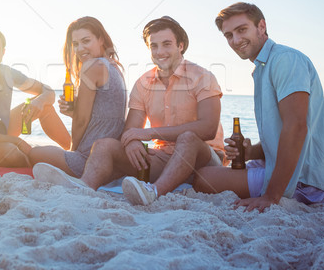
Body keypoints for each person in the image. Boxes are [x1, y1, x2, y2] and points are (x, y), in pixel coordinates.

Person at [34, 16, 226, 206]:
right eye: (154, 46)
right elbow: (131, 129)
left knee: (188, 138)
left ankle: (154, 192)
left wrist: (148, 132)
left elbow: (208, 128)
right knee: (104, 145)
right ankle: (84, 187)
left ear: (181, 45)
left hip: (204, 160)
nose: (160, 52)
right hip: (163, 159)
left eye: (166, 44)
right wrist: (132, 140)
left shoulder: (203, 77)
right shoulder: (143, 83)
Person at [193, 2, 324, 212]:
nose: (236, 40)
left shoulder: (285, 60)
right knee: (211, 171)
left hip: (308, 180)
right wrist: (250, 152)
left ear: (261, 26)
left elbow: (297, 127)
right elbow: (282, 136)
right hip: (299, 169)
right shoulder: (263, 68)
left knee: (203, 178)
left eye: (242, 30)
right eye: (229, 35)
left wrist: (271, 196)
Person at [0, 27, 70, 168]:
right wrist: (15, 141)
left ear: (3, 52)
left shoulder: (6, 73)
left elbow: (48, 91)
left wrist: (39, 101)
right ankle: (37, 161)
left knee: (44, 106)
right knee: (12, 152)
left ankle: (72, 153)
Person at [29, 16, 127, 178]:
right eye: (75, 44)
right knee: (47, 112)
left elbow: (82, 121)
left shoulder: (92, 66)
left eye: (86, 41)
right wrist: (73, 112)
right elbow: (100, 115)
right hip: (111, 159)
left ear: (101, 39)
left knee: (34, 153)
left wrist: (72, 152)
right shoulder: (114, 67)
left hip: (89, 160)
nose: (80, 49)